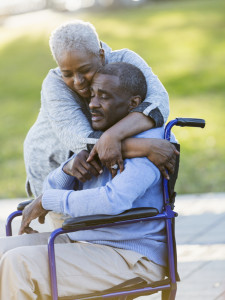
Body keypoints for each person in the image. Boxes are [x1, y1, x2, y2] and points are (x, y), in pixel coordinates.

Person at [0, 62, 177, 299]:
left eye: (104, 97)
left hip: (133, 256)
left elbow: (114, 201)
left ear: (133, 104)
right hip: (84, 241)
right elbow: (49, 190)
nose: (93, 103)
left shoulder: (154, 142)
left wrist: (49, 200)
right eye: (92, 95)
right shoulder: (99, 136)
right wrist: (68, 169)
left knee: (18, 263)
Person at [24, 20, 177, 202]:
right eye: (68, 74)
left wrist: (113, 135)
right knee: (71, 223)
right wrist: (144, 147)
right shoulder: (54, 83)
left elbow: (158, 102)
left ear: (101, 56)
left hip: (94, 161)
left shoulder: (124, 59)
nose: (79, 81)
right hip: (53, 160)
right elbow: (78, 138)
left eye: (85, 70)